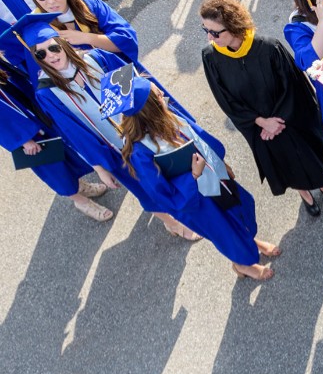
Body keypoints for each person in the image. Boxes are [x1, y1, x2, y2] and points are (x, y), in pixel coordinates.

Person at [8, 13, 200, 239]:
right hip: (116, 149)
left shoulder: (96, 58)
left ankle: (190, 202)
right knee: (143, 188)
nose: (50, 56)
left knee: (169, 169)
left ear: (63, 44)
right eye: (40, 54)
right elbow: (74, 132)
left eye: (53, 48)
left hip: (143, 129)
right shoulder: (47, 92)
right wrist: (100, 166)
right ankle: (171, 222)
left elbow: (135, 82)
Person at [118, 74, 280, 281]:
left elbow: (199, 139)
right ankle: (242, 265)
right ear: (151, 111)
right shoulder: (140, 153)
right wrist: (193, 175)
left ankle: (251, 242)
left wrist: (221, 164)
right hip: (199, 201)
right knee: (226, 233)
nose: (163, 96)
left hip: (215, 178)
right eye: (158, 95)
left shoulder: (169, 116)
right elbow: (164, 196)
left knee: (241, 209)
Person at [199, 0, 323, 217]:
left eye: (215, 32)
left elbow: (294, 87)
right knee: (284, 164)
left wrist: (278, 121)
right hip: (260, 129)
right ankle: (305, 194)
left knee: (307, 156)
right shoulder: (211, 57)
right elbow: (225, 100)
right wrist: (262, 122)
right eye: (205, 30)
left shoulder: (268, 48)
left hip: (289, 120)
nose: (209, 37)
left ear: (233, 26)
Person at [0, 53, 111, 220]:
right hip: (17, 128)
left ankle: (79, 185)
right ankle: (80, 201)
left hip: (27, 107)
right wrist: (22, 139)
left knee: (63, 149)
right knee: (51, 165)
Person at [17, 0, 138, 67]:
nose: (50, 1)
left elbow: (127, 40)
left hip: (122, 70)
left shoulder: (89, 4)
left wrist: (86, 38)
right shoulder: (37, 27)